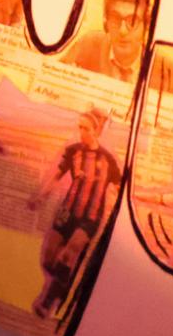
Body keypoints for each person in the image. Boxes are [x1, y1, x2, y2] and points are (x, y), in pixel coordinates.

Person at [27, 108, 120, 319]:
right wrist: (40, 197)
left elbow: (118, 187)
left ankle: (49, 299)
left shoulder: (108, 160)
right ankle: (61, 283)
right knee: (48, 257)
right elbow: (56, 176)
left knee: (70, 252)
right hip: (67, 211)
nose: (81, 132)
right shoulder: (73, 151)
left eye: (85, 128)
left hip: (91, 217)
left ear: (96, 130)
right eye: (79, 127)